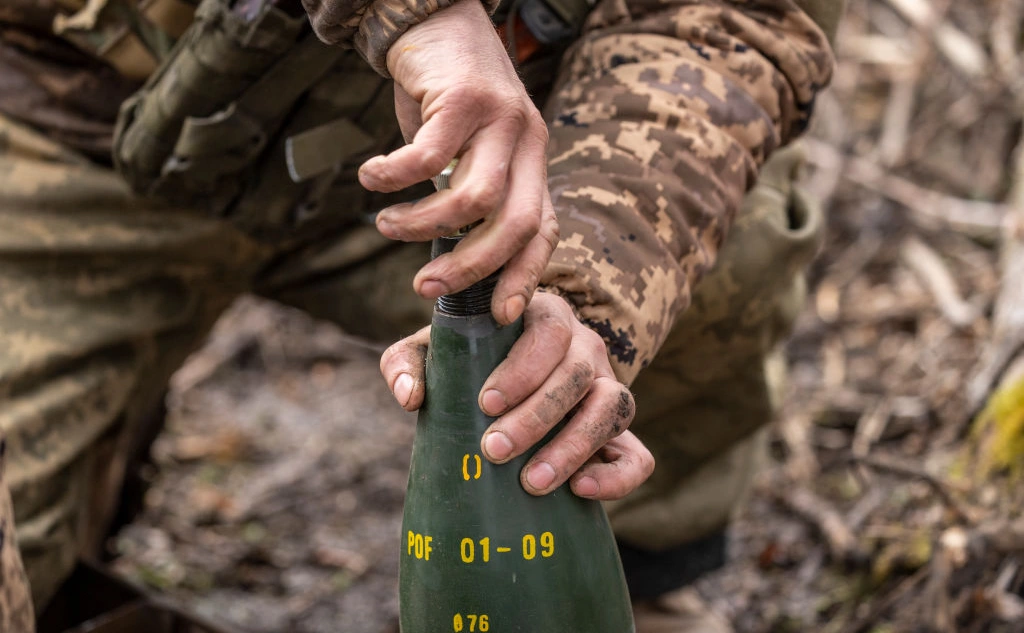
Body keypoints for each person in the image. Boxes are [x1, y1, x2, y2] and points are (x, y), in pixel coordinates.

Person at [0, 0, 841, 630]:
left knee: (716, 256)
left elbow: (727, 21)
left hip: (463, 161)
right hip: (67, 138)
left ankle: (622, 575)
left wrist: (575, 284)